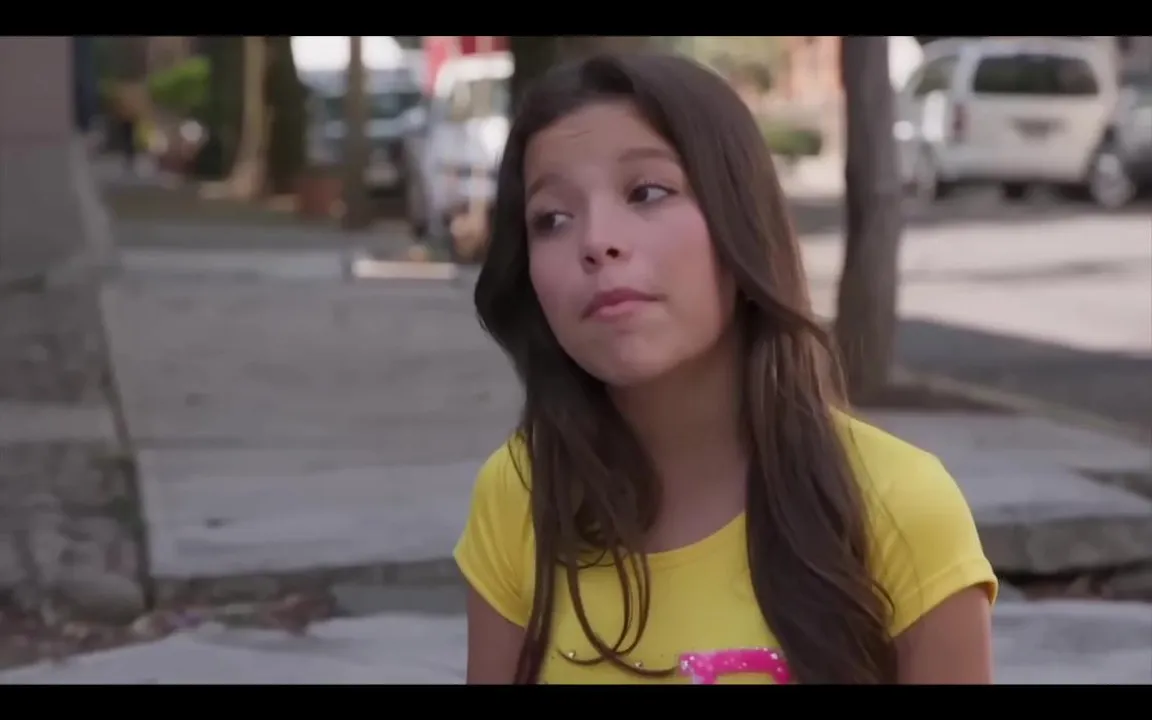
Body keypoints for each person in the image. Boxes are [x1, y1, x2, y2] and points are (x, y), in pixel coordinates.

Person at [455, 52, 997, 685]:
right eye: (552, 219)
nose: (596, 241)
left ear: (740, 217)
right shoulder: (519, 495)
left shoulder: (900, 507)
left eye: (646, 192)